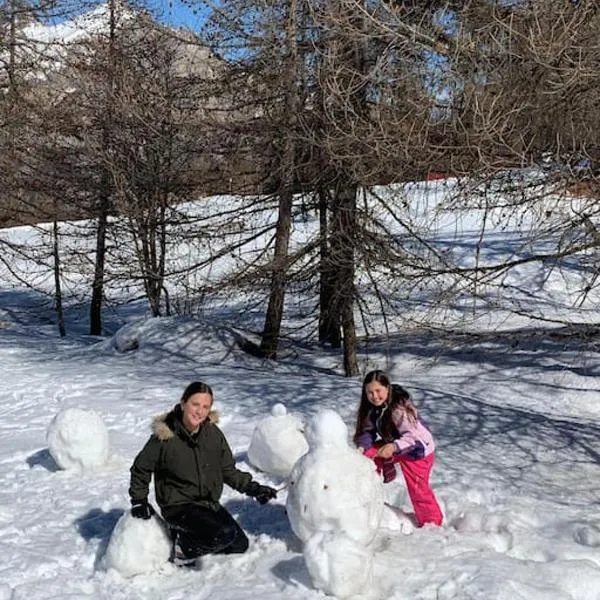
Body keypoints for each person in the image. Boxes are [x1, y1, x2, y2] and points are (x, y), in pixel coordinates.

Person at [128, 381, 278, 566]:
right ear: (183, 404)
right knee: (223, 534)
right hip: (178, 506)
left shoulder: (213, 434)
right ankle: (179, 550)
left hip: (206, 504)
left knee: (239, 544)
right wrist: (139, 501)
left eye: (205, 406)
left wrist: (254, 489)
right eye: (195, 404)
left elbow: (227, 470)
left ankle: (192, 534)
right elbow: (140, 468)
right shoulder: (164, 437)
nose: (199, 411)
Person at [353, 370, 443, 527]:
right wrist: (363, 448)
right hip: (398, 445)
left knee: (417, 489)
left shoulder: (398, 409)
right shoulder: (373, 408)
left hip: (418, 451)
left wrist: (393, 447)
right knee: (369, 454)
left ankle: (432, 523)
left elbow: (414, 438)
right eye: (370, 392)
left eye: (378, 391)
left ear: (387, 388)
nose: (374, 396)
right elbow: (366, 432)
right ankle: (367, 492)